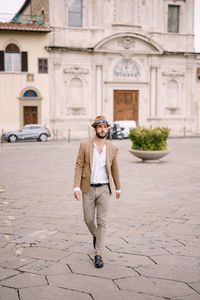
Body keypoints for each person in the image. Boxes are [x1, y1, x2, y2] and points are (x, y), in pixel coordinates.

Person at [73, 115, 121, 268]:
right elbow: (79, 165)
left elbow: (115, 168)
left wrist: (118, 187)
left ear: (107, 129)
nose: (102, 129)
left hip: (104, 189)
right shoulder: (85, 145)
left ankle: (98, 253)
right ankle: (96, 235)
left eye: (105, 127)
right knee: (88, 220)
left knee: (102, 221)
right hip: (88, 188)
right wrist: (76, 186)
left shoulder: (112, 148)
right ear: (94, 128)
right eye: (100, 127)